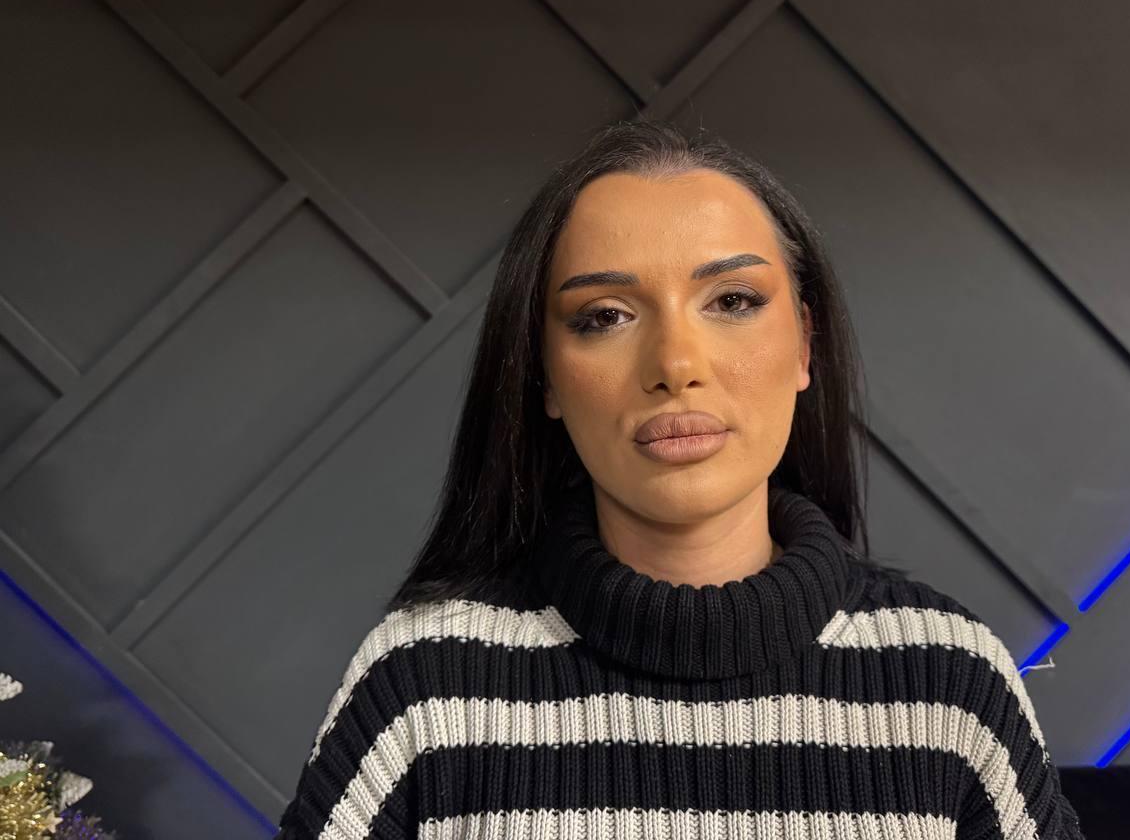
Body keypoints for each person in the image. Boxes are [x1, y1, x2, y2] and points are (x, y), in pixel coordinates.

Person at [274, 116, 1086, 839]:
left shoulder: (949, 683)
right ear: (544, 375)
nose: (675, 364)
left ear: (805, 345)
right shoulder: (423, 684)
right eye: (604, 317)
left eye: (732, 301)